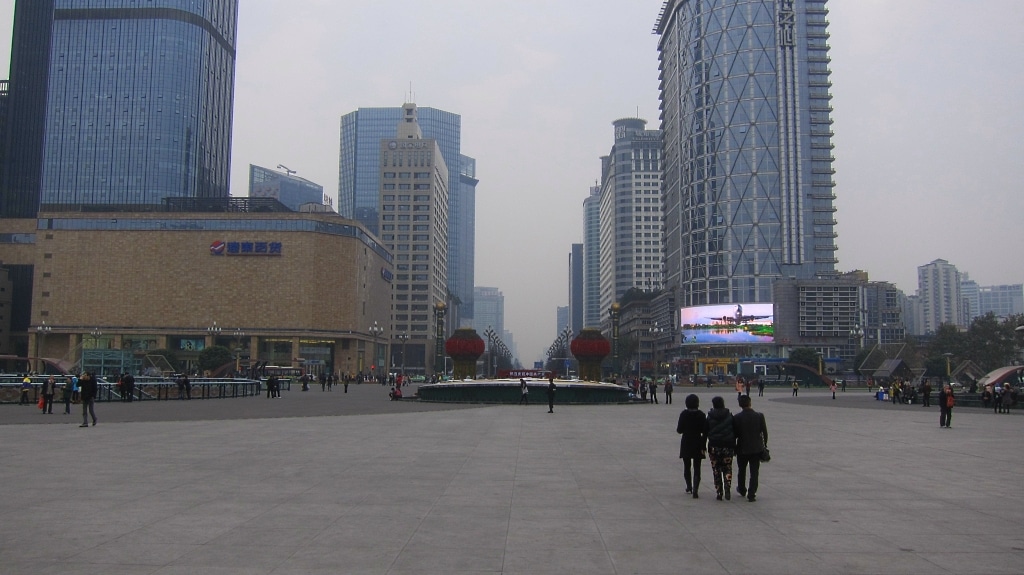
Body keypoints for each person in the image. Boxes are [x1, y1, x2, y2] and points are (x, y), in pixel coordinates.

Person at [733, 395, 767, 502]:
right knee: (754, 472)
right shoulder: (759, 416)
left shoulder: (737, 417)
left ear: (740, 405)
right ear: (750, 403)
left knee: (741, 470)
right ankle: (752, 493)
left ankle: (742, 489)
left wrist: (734, 448)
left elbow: (734, 434)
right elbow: (765, 433)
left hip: (742, 448)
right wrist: (764, 445)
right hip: (756, 448)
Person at [676, 394, 707, 498]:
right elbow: (704, 430)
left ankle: (689, 485)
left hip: (686, 441)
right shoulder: (701, 415)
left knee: (687, 466)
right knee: (697, 467)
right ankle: (696, 489)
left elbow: (679, 430)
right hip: (698, 441)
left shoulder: (684, 414)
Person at [705, 396, 735, 501]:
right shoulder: (729, 416)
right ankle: (727, 486)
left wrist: (704, 444)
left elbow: (705, 431)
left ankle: (719, 492)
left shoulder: (709, 417)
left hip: (714, 446)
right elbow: (734, 431)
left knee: (716, 470)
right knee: (727, 467)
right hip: (727, 446)